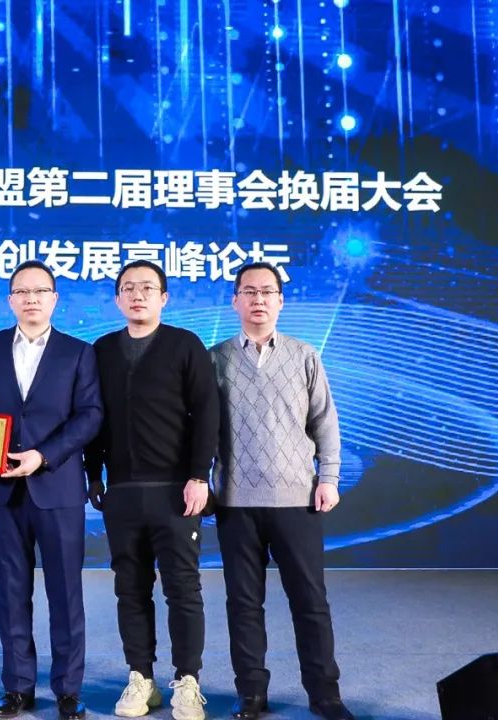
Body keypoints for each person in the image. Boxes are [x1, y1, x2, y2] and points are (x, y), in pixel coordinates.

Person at [210, 262, 355, 720]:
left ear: (280, 301)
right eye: (249, 292)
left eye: (267, 292)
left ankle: (325, 694)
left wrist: (328, 478)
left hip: (297, 499)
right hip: (235, 502)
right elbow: (201, 431)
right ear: (235, 301)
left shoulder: (304, 356)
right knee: (243, 604)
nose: (258, 300)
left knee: (310, 602)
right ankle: (251, 693)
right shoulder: (215, 359)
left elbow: (325, 423)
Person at [84, 261, 217, 720]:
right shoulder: (102, 350)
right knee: (130, 589)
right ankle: (141, 677)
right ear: (117, 298)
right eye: (128, 288)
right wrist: (93, 474)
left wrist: (199, 476)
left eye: (147, 288)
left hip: (176, 491)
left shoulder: (184, 344)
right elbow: (93, 416)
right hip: (121, 492)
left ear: (164, 297)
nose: (137, 295)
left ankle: (187, 681)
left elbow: (207, 412)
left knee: (182, 589)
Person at [0, 260, 103, 720]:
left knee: (66, 593)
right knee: (12, 591)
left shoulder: (78, 352)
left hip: (57, 487)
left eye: (40, 291)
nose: (31, 299)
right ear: (10, 299)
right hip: (3, 490)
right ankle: (18, 688)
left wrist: (43, 456)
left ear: (54, 299)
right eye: (22, 292)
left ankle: (68, 690)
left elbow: (90, 415)